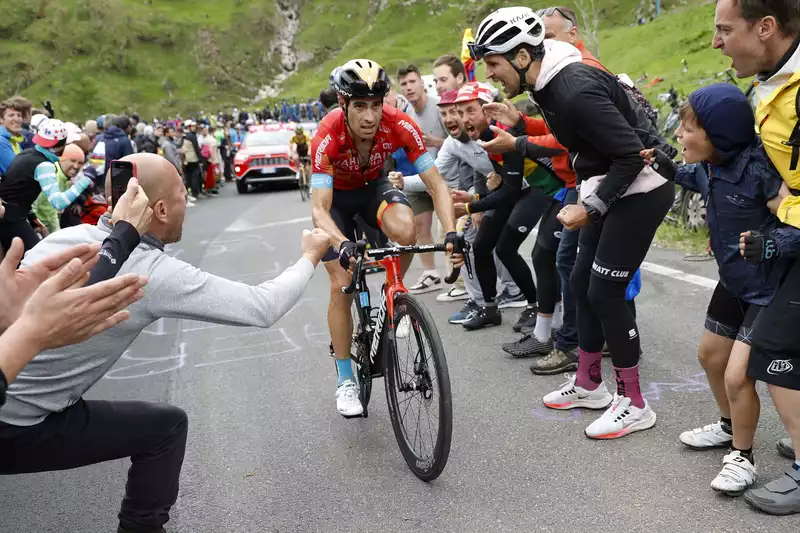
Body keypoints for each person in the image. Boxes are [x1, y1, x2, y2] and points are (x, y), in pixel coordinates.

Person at [1, 153, 330, 533]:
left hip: (10, 392)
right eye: (180, 194)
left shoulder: (66, 238)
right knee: (166, 428)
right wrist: (310, 256)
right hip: (21, 425)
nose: (185, 202)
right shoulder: (151, 272)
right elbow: (262, 307)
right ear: (158, 208)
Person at [470, 7, 675, 439]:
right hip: (608, 181)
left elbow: (630, 155)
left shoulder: (573, 87)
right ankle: (588, 383)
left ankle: (634, 403)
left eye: (493, 64)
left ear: (523, 57)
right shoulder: (548, 80)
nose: (491, 75)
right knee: (580, 281)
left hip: (642, 185)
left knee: (605, 290)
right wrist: (523, 128)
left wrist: (591, 207)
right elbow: (573, 136)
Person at [645, 84, 796, 495]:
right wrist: (668, 167)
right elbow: (695, 177)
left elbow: (795, 220)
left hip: (768, 288)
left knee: (736, 375)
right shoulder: (712, 164)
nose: (678, 135)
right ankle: (729, 424)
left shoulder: (759, 171)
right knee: (710, 356)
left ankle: (742, 457)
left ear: (718, 135)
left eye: (687, 129)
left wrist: (773, 244)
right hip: (734, 281)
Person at [311, 59, 462, 417]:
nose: (370, 115)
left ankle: (392, 293)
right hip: (336, 203)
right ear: (343, 104)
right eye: (360, 106)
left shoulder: (399, 124)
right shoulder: (327, 133)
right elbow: (319, 209)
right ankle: (345, 378)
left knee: (407, 231)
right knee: (342, 283)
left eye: (376, 105)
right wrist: (341, 242)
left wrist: (453, 232)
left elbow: (436, 185)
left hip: (373, 188)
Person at [712, 0, 800, 512]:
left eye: (725, 30)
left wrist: (782, 240)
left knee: (775, 354)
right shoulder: (769, 80)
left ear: (765, 28)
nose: (717, 42)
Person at [450, 82, 565, 332]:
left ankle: (537, 305)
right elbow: (505, 183)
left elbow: (510, 191)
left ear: (488, 111)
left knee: (510, 248)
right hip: (522, 188)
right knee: (482, 246)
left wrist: (470, 207)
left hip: (545, 188)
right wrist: (478, 197)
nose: (463, 119)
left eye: (470, 111)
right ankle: (490, 309)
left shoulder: (502, 133)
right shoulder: (484, 135)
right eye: (460, 113)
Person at [0, 119, 94, 252]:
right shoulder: (44, 165)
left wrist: (32, 217)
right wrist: (83, 183)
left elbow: (17, 190)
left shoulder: (26, 154)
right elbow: (58, 203)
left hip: (9, 213)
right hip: (11, 219)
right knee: (35, 259)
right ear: (60, 145)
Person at [397, 64, 449, 294]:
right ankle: (430, 273)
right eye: (404, 84)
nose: (409, 88)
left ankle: (458, 276)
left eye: (412, 82)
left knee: (447, 226)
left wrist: (436, 142)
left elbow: (461, 141)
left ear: (421, 82)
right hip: (419, 176)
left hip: (446, 174)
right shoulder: (407, 115)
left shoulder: (439, 107)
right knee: (419, 226)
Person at [0, 99, 27, 175]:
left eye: (19, 115)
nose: (17, 119)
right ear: (1, 119)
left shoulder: (13, 140)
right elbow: (16, 171)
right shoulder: (1, 141)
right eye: (11, 115)